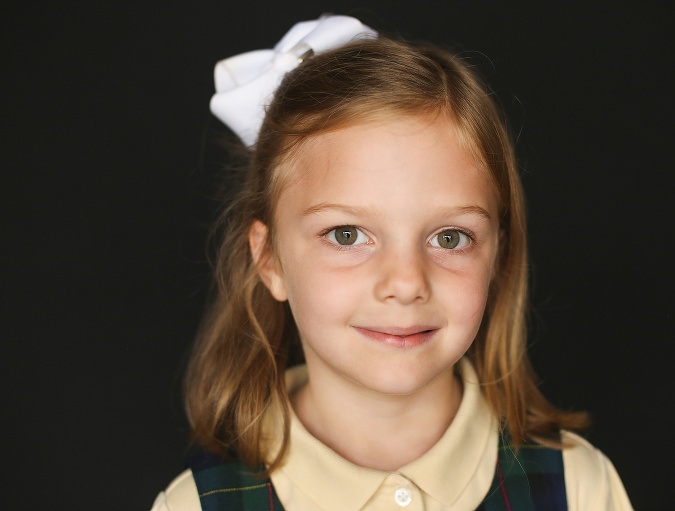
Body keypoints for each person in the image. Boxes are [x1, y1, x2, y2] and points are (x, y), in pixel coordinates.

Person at [152, 15, 633, 511]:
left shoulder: (578, 488)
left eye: (450, 237)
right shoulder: (196, 505)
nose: (405, 283)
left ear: (498, 256)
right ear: (270, 259)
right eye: (347, 235)